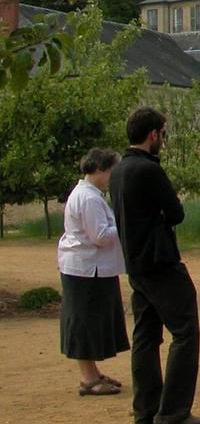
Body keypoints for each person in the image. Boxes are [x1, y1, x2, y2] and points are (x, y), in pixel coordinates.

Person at [109, 107, 200, 424]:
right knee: (185, 332)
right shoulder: (148, 170)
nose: (163, 140)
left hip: (136, 263)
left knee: (146, 334)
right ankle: (173, 412)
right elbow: (176, 212)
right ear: (153, 135)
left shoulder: (119, 170)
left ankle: (146, 408)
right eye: (163, 134)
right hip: (160, 262)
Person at [58, 148, 129, 397]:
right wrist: (122, 224)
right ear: (99, 169)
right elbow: (99, 236)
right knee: (84, 322)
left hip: (89, 268)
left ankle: (92, 372)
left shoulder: (89, 195)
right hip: (86, 269)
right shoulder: (88, 198)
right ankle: (88, 378)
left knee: (89, 320)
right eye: (111, 171)